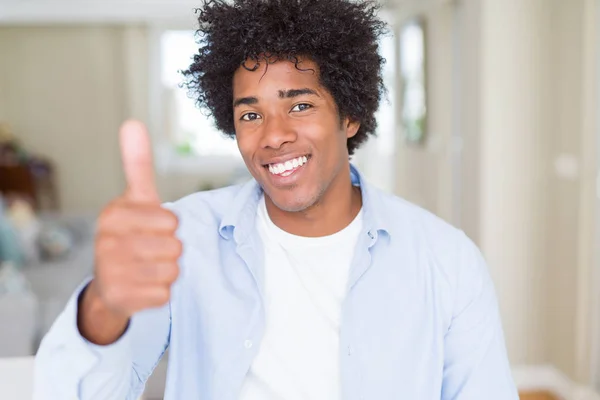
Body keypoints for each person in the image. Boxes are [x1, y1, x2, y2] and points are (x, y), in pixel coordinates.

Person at [33, 0, 519, 398]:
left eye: (300, 105)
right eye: (251, 115)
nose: (274, 135)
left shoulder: (447, 261)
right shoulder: (181, 240)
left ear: (349, 117)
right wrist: (102, 308)